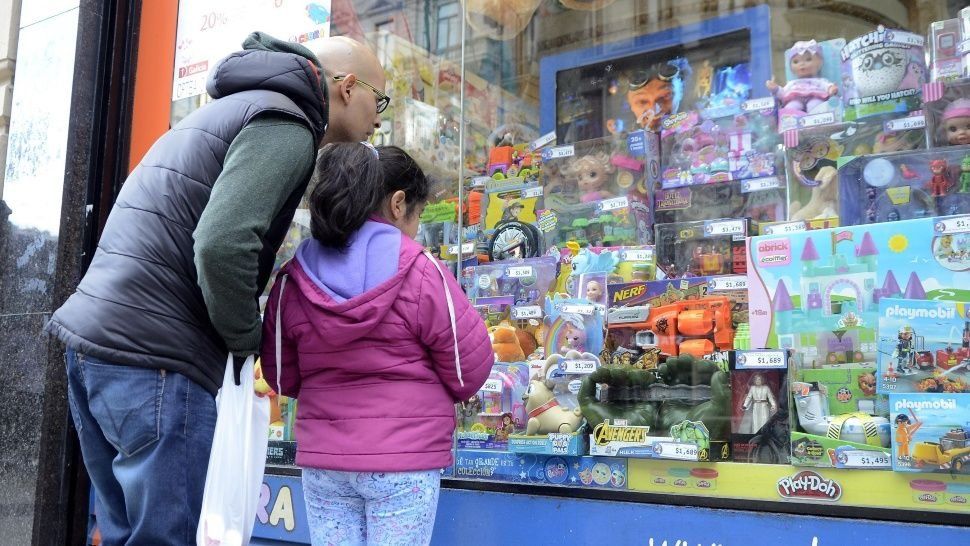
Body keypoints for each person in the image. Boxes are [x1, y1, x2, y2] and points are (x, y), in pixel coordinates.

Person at [44, 32, 387, 545]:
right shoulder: (287, 123)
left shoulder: (240, 108)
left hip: (96, 345)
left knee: (126, 534)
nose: (379, 118)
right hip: (156, 358)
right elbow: (222, 245)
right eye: (380, 100)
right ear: (348, 87)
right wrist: (246, 341)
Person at [261, 143, 493, 546]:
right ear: (398, 204)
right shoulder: (421, 270)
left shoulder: (293, 277)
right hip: (404, 459)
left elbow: (280, 376)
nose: (416, 227)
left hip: (325, 462)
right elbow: (467, 369)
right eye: (418, 215)